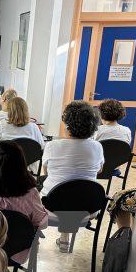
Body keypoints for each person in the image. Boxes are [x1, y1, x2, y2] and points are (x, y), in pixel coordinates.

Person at [42, 101, 104, 251]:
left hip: (52, 208)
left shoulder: (53, 146)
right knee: (75, 192)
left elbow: (46, 171)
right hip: (87, 209)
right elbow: (100, 170)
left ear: (67, 124)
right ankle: (64, 239)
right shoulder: (97, 146)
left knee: (61, 191)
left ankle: (33, 238)